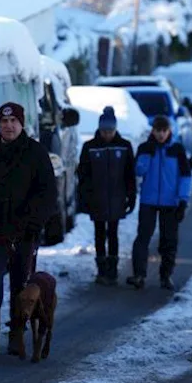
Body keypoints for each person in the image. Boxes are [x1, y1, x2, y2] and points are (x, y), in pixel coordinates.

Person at [0, 101, 57, 356]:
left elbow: (48, 193)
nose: (8, 126)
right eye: (4, 122)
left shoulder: (35, 153)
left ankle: (17, 332)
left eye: (13, 121)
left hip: (23, 232)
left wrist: (36, 223)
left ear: (21, 124)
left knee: (20, 285)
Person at [126, 115, 191, 292]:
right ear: (153, 131)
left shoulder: (177, 150)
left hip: (170, 202)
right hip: (149, 200)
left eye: (164, 131)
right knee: (143, 237)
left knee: (169, 240)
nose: (161, 135)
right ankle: (139, 274)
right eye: (157, 131)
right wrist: (148, 154)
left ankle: (166, 275)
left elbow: (185, 177)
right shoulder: (145, 148)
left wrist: (183, 200)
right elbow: (139, 171)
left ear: (169, 131)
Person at [76, 106, 135, 285]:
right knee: (100, 234)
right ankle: (101, 269)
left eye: (110, 131)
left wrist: (131, 196)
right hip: (98, 199)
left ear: (115, 129)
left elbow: (129, 174)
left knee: (113, 233)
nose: (107, 135)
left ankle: (113, 269)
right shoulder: (90, 147)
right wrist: (84, 199)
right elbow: (83, 175)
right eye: (104, 131)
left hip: (117, 198)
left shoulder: (124, 146)